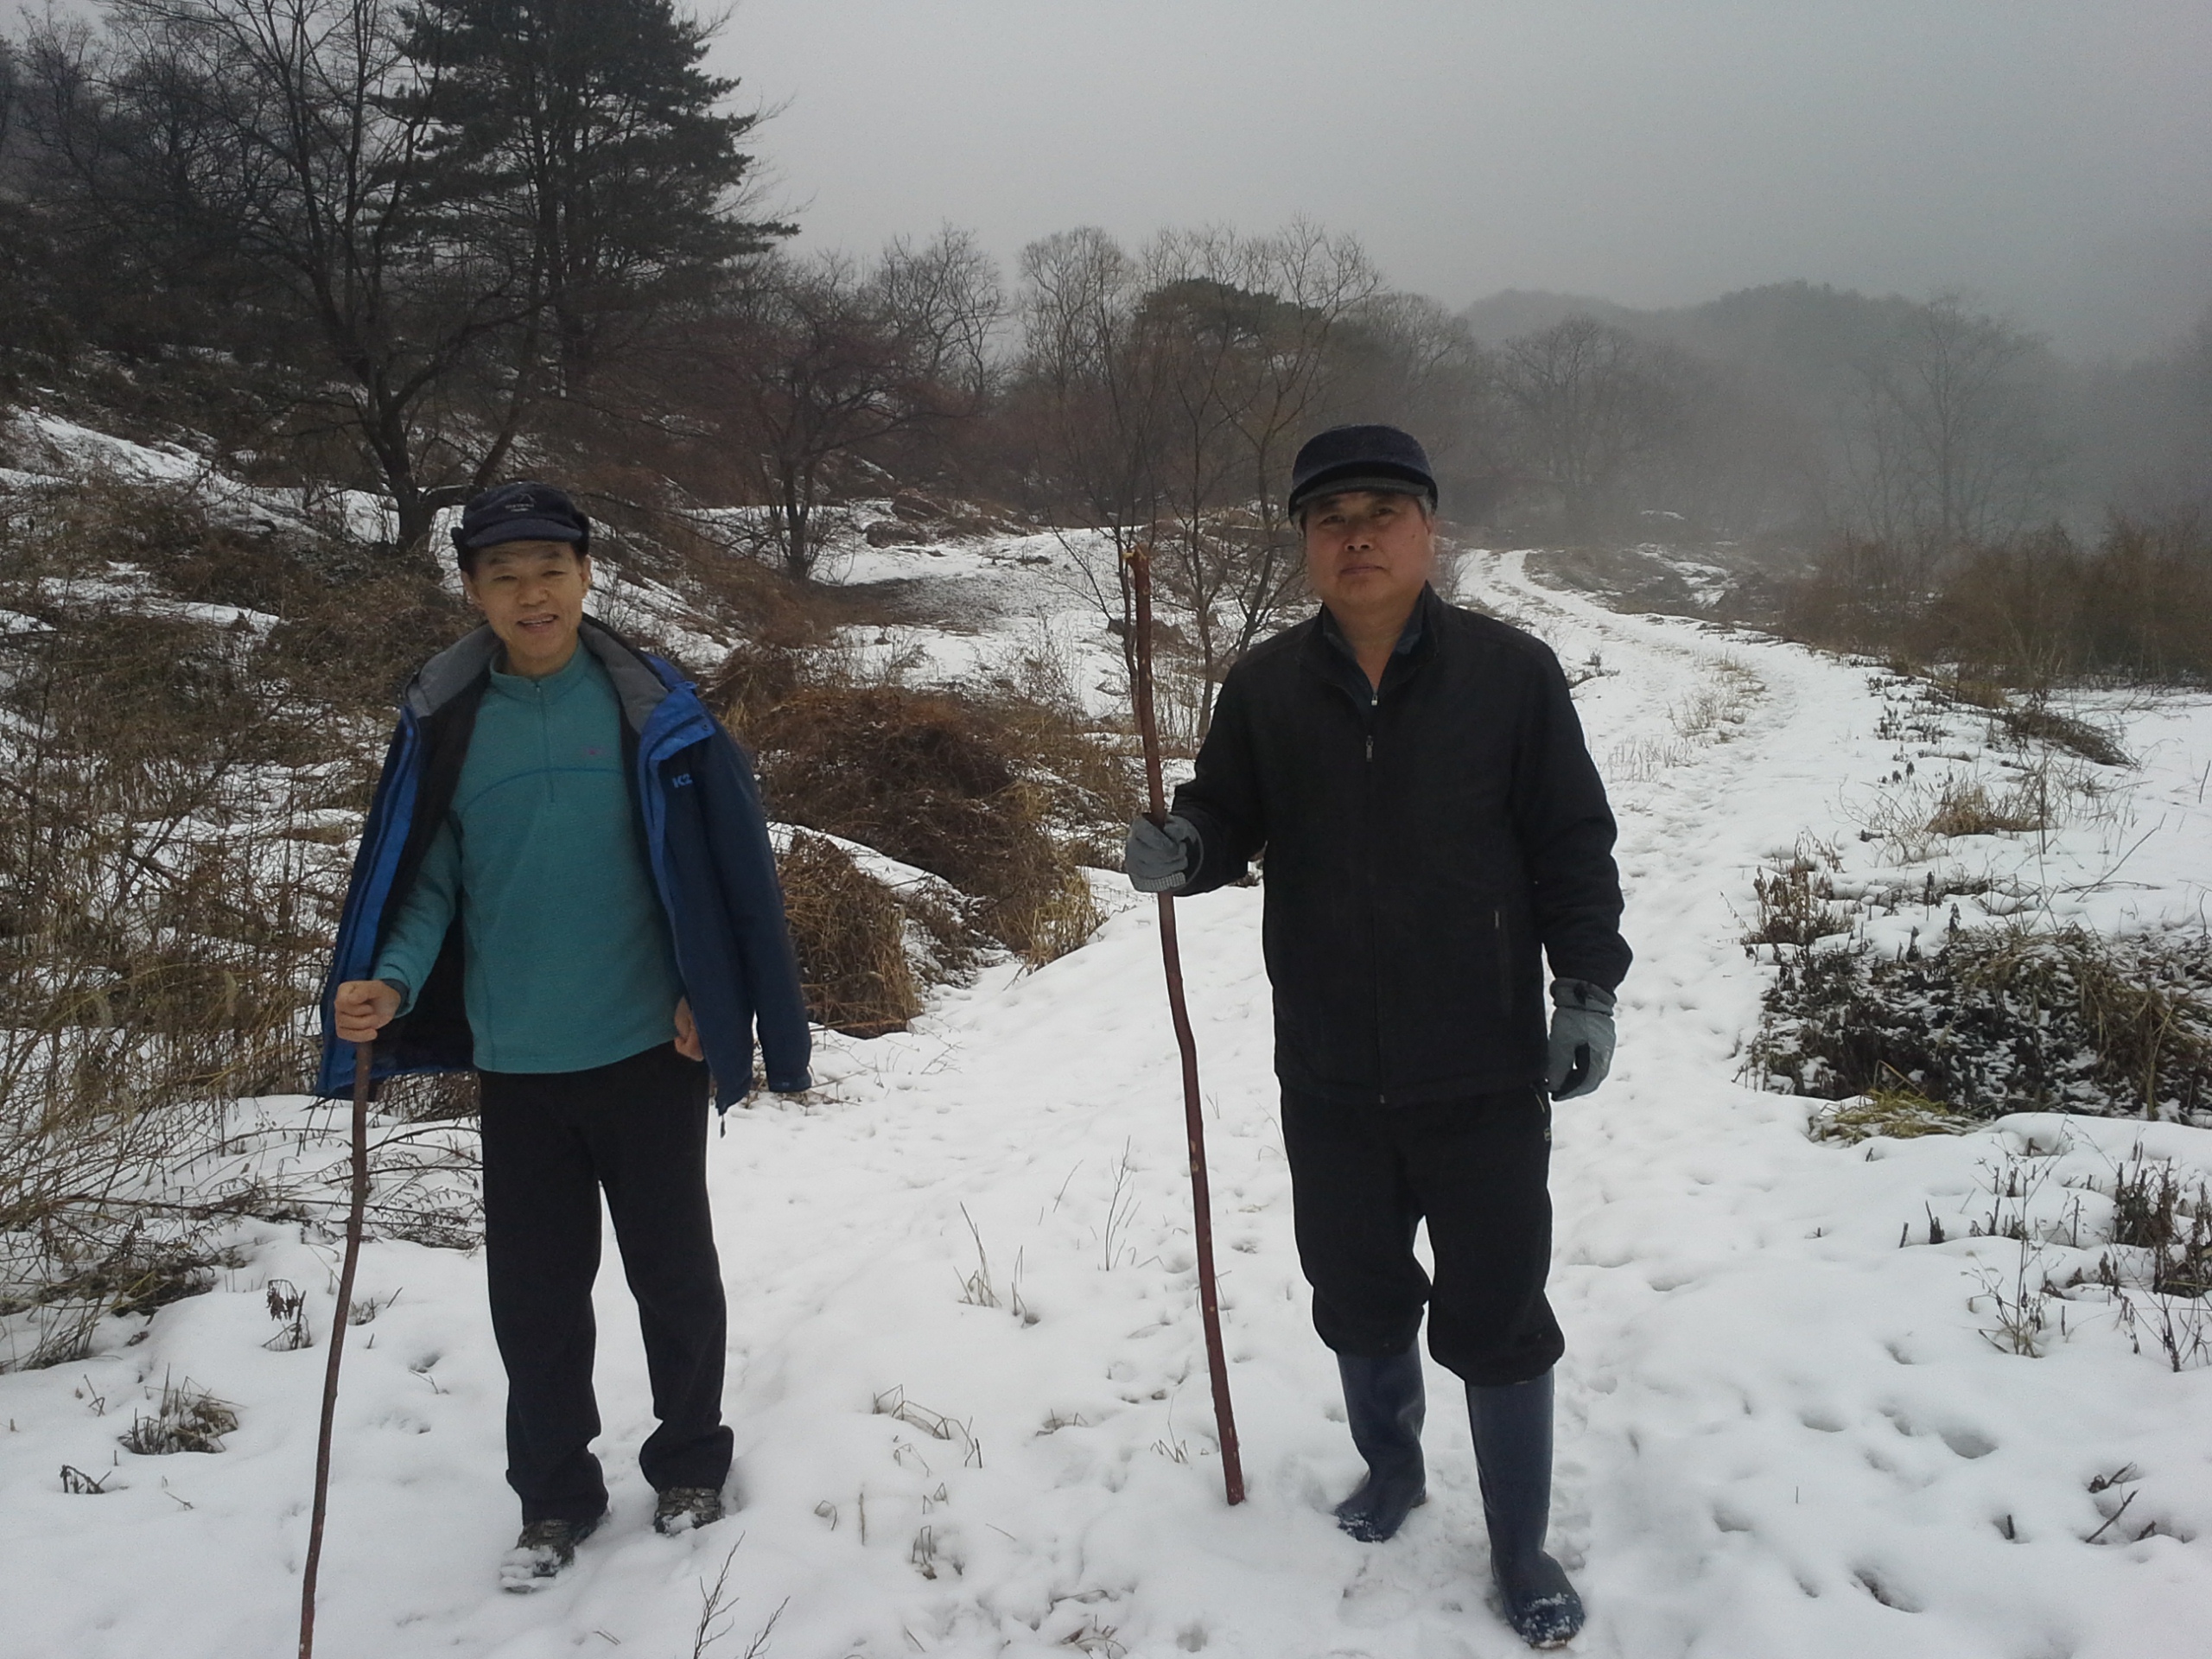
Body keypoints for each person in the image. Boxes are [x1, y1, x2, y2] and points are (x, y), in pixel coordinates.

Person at [1123, 425, 1628, 1649]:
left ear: (1428, 529)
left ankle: (1518, 1545)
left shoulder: (1511, 675)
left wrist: (1584, 988)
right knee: (1355, 1291)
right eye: (1330, 518)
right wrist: (1186, 849)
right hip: (1331, 1066)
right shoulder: (1264, 687)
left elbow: (1571, 841)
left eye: (1382, 512)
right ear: (1305, 544)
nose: (1357, 536)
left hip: (1482, 1062)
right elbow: (1226, 814)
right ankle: (1392, 1469)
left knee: (1498, 1309)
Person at [317, 481, 810, 1590]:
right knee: (535, 1299)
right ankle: (553, 1499)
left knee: (672, 1275)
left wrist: (708, 991)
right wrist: (388, 980)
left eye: (550, 569)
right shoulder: (453, 721)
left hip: (647, 1050)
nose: (531, 593)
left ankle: (689, 1460)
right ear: (473, 590)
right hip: (520, 1063)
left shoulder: (651, 711)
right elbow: (429, 879)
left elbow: (710, 870)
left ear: (587, 576)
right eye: (505, 575)